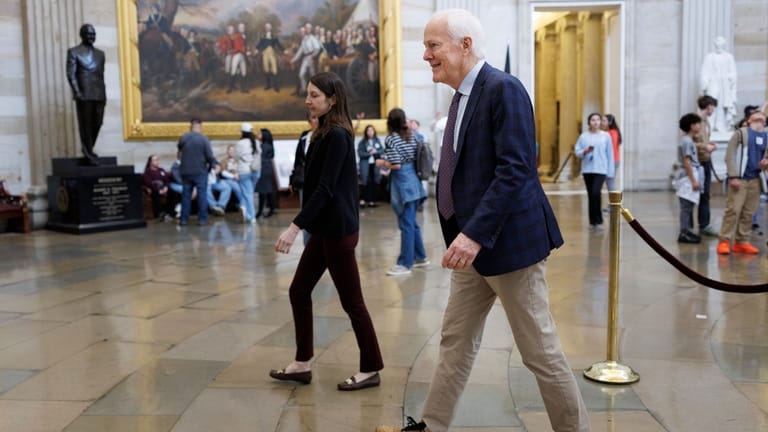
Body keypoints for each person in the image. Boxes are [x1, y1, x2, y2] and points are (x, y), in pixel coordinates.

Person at [377, 9, 590, 432]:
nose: (426, 55)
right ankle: (432, 425)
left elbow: (515, 169)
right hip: (471, 248)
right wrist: (466, 237)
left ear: (465, 45)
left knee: (539, 352)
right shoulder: (461, 97)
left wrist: (473, 235)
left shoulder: (503, 88)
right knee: (455, 342)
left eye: (433, 45)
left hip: (507, 247)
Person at [271, 71, 383, 391]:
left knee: (353, 302)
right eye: (307, 94)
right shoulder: (322, 132)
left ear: (332, 99)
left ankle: (371, 368)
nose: (308, 100)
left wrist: (294, 228)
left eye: (315, 95)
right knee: (298, 290)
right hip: (325, 229)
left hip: (337, 232)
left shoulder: (337, 135)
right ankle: (302, 363)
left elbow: (325, 189)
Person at [377, 109, 428, 276]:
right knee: (412, 223)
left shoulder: (392, 138)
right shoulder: (412, 135)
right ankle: (420, 257)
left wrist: (381, 162)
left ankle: (405, 263)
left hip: (403, 184)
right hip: (414, 181)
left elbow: (396, 164)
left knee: (406, 224)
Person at [717, 108, 768, 255]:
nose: (760, 118)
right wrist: (733, 176)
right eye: (757, 116)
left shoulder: (766, 137)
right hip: (740, 179)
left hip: (756, 180)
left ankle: (742, 241)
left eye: (762, 117)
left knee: (749, 212)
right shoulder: (741, 133)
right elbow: (730, 155)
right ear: (749, 120)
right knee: (733, 210)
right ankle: (724, 241)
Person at [66, 23, 106, 163]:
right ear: (82, 35)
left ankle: (88, 148)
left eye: (93, 34)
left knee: (98, 122)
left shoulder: (101, 54)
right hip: (84, 94)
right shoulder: (74, 52)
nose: (91, 37)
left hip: (99, 94)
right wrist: (77, 92)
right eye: (89, 34)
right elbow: (71, 75)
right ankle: (88, 151)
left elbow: (101, 75)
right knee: (85, 124)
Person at [574, 112, 614, 231]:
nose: (596, 122)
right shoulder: (583, 136)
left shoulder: (606, 136)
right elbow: (577, 151)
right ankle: (593, 221)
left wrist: (610, 172)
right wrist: (584, 152)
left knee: (596, 192)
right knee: (591, 194)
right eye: (593, 120)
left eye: (598, 120)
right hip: (588, 169)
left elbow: (610, 154)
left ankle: (599, 220)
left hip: (601, 169)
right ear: (589, 122)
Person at [177, 118, 218, 226]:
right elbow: (209, 156)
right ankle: (202, 219)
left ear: (191, 126)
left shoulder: (184, 137)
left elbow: (180, 152)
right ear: (200, 126)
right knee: (202, 195)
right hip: (200, 171)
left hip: (185, 171)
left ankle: (184, 219)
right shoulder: (204, 139)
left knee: (186, 195)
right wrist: (214, 165)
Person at [675, 113, 704, 244]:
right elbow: (687, 161)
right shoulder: (686, 141)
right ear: (692, 126)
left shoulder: (689, 140)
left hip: (691, 174)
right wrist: (693, 180)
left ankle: (687, 230)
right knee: (686, 206)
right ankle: (684, 232)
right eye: (698, 123)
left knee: (689, 205)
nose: (700, 125)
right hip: (687, 176)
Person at [693, 95, 719, 236]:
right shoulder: (696, 121)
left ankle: (704, 223)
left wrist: (709, 145)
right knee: (702, 194)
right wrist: (705, 147)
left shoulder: (706, 122)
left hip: (705, 159)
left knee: (706, 194)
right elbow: (690, 142)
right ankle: (703, 224)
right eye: (713, 107)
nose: (713, 110)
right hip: (699, 161)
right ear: (709, 106)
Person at [700, 36, 737, 132]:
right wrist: (705, 82)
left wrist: (730, 77)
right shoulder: (709, 56)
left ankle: (721, 126)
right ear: (715, 44)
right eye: (717, 43)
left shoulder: (729, 57)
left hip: (724, 84)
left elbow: (733, 72)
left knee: (721, 105)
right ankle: (710, 125)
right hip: (713, 83)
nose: (719, 45)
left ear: (724, 45)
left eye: (721, 43)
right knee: (711, 104)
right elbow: (705, 71)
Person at [235, 123, 258, 224]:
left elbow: (236, 156)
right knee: (249, 192)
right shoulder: (256, 142)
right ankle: (243, 207)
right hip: (255, 170)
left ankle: (251, 216)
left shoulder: (240, 143)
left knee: (247, 193)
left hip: (244, 170)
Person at [142, 154, 176, 221]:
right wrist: (158, 190)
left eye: (157, 160)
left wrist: (166, 187)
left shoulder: (161, 170)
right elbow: (148, 183)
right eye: (155, 160)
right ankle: (159, 213)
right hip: (154, 189)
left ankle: (170, 212)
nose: (157, 161)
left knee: (172, 192)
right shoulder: (147, 172)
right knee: (155, 193)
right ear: (150, 162)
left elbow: (167, 180)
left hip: (163, 188)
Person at [291, 23, 322, 97]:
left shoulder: (312, 38)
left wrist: (313, 55)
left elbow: (317, 48)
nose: (307, 30)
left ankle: (316, 91)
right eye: (306, 28)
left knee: (313, 75)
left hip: (311, 58)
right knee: (301, 74)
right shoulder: (304, 39)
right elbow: (300, 51)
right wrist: (294, 59)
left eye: (308, 28)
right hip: (305, 59)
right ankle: (304, 90)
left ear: (310, 29)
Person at [357, 124, 384, 208]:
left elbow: (382, 150)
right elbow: (360, 153)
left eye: (372, 130)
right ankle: (363, 200)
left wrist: (375, 151)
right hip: (365, 164)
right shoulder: (362, 142)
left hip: (374, 165)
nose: (370, 132)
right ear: (366, 132)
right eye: (368, 130)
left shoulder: (377, 140)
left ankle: (372, 201)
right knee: (365, 182)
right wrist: (369, 153)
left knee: (374, 181)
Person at [256, 22, 284, 92]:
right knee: (266, 69)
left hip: (272, 53)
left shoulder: (274, 36)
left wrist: (284, 50)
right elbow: (259, 44)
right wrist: (256, 49)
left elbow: (278, 44)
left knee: (274, 69)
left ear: (270, 28)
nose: (267, 28)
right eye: (266, 27)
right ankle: (268, 85)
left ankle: (276, 86)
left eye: (269, 27)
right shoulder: (263, 36)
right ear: (265, 28)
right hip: (265, 53)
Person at [256, 128, 277, 218]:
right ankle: (271, 209)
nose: (257, 135)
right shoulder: (269, 145)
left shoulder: (263, 146)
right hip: (267, 168)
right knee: (268, 190)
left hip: (263, 168)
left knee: (263, 191)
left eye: (259, 134)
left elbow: (260, 158)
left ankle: (260, 211)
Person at [601, 114, 622, 193]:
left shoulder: (612, 133)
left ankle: (614, 204)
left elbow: (610, 149)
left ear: (609, 122)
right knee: (609, 182)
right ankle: (613, 204)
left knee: (610, 183)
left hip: (612, 161)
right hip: (613, 160)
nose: (601, 123)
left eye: (604, 121)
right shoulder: (610, 132)